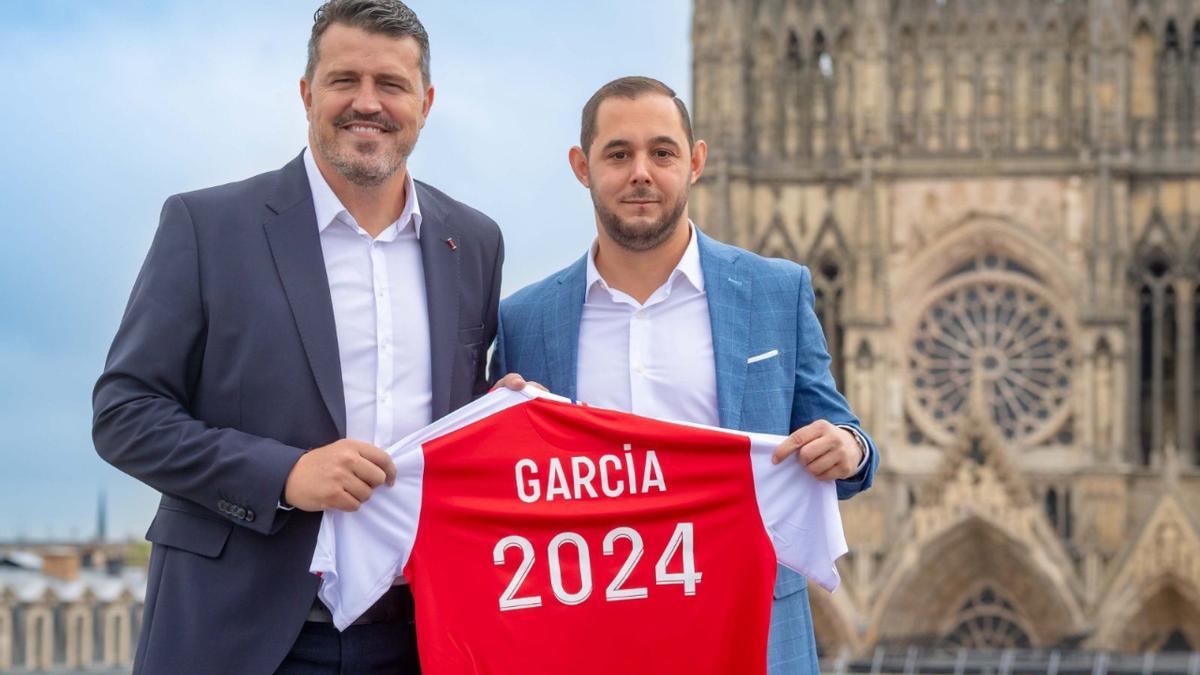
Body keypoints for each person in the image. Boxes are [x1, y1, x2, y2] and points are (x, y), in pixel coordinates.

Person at [92, 1, 503, 673]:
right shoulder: (207, 225)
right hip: (240, 637)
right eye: (345, 80)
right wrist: (284, 474)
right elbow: (124, 415)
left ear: (425, 102)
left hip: (419, 637)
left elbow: (453, 413)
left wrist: (501, 410)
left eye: (391, 85)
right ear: (307, 92)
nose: (366, 103)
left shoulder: (474, 241)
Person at [490, 76, 879, 674]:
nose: (641, 172)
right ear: (581, 166)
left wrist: (849, 448)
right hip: (587, 644)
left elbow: (845, 438)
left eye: (662, 152)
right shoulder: (525, 319)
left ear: (695, 162)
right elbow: (504, 493)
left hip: (747, 636)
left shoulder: (776, 292)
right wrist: (495, 428)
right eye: (618, 154)